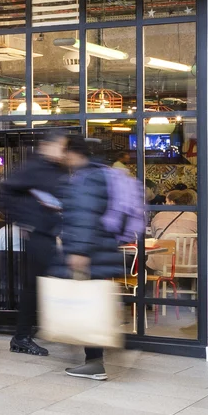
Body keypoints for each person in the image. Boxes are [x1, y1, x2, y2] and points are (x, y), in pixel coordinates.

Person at [59, 137, 127, 381]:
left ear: (75, 154)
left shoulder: (87, 178)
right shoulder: (102, 174)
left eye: (65, 153)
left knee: (88, 305)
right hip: (99, 249)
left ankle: (94, 362)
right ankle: (95, 357)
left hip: (89, 253)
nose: (63, 158)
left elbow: (85, 216)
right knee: (92, 303)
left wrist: (79, 251)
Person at [2, 129, 70, 357]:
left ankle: (26, 334)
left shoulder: (56, 168)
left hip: (50, 234)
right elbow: (6, 191)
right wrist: (25, 222)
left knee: (39, 285)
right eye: (61, 147)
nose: (63, 152)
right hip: (38, 235)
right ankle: (23, 336)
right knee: (38, 286)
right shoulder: (32, 167)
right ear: (48, 145)